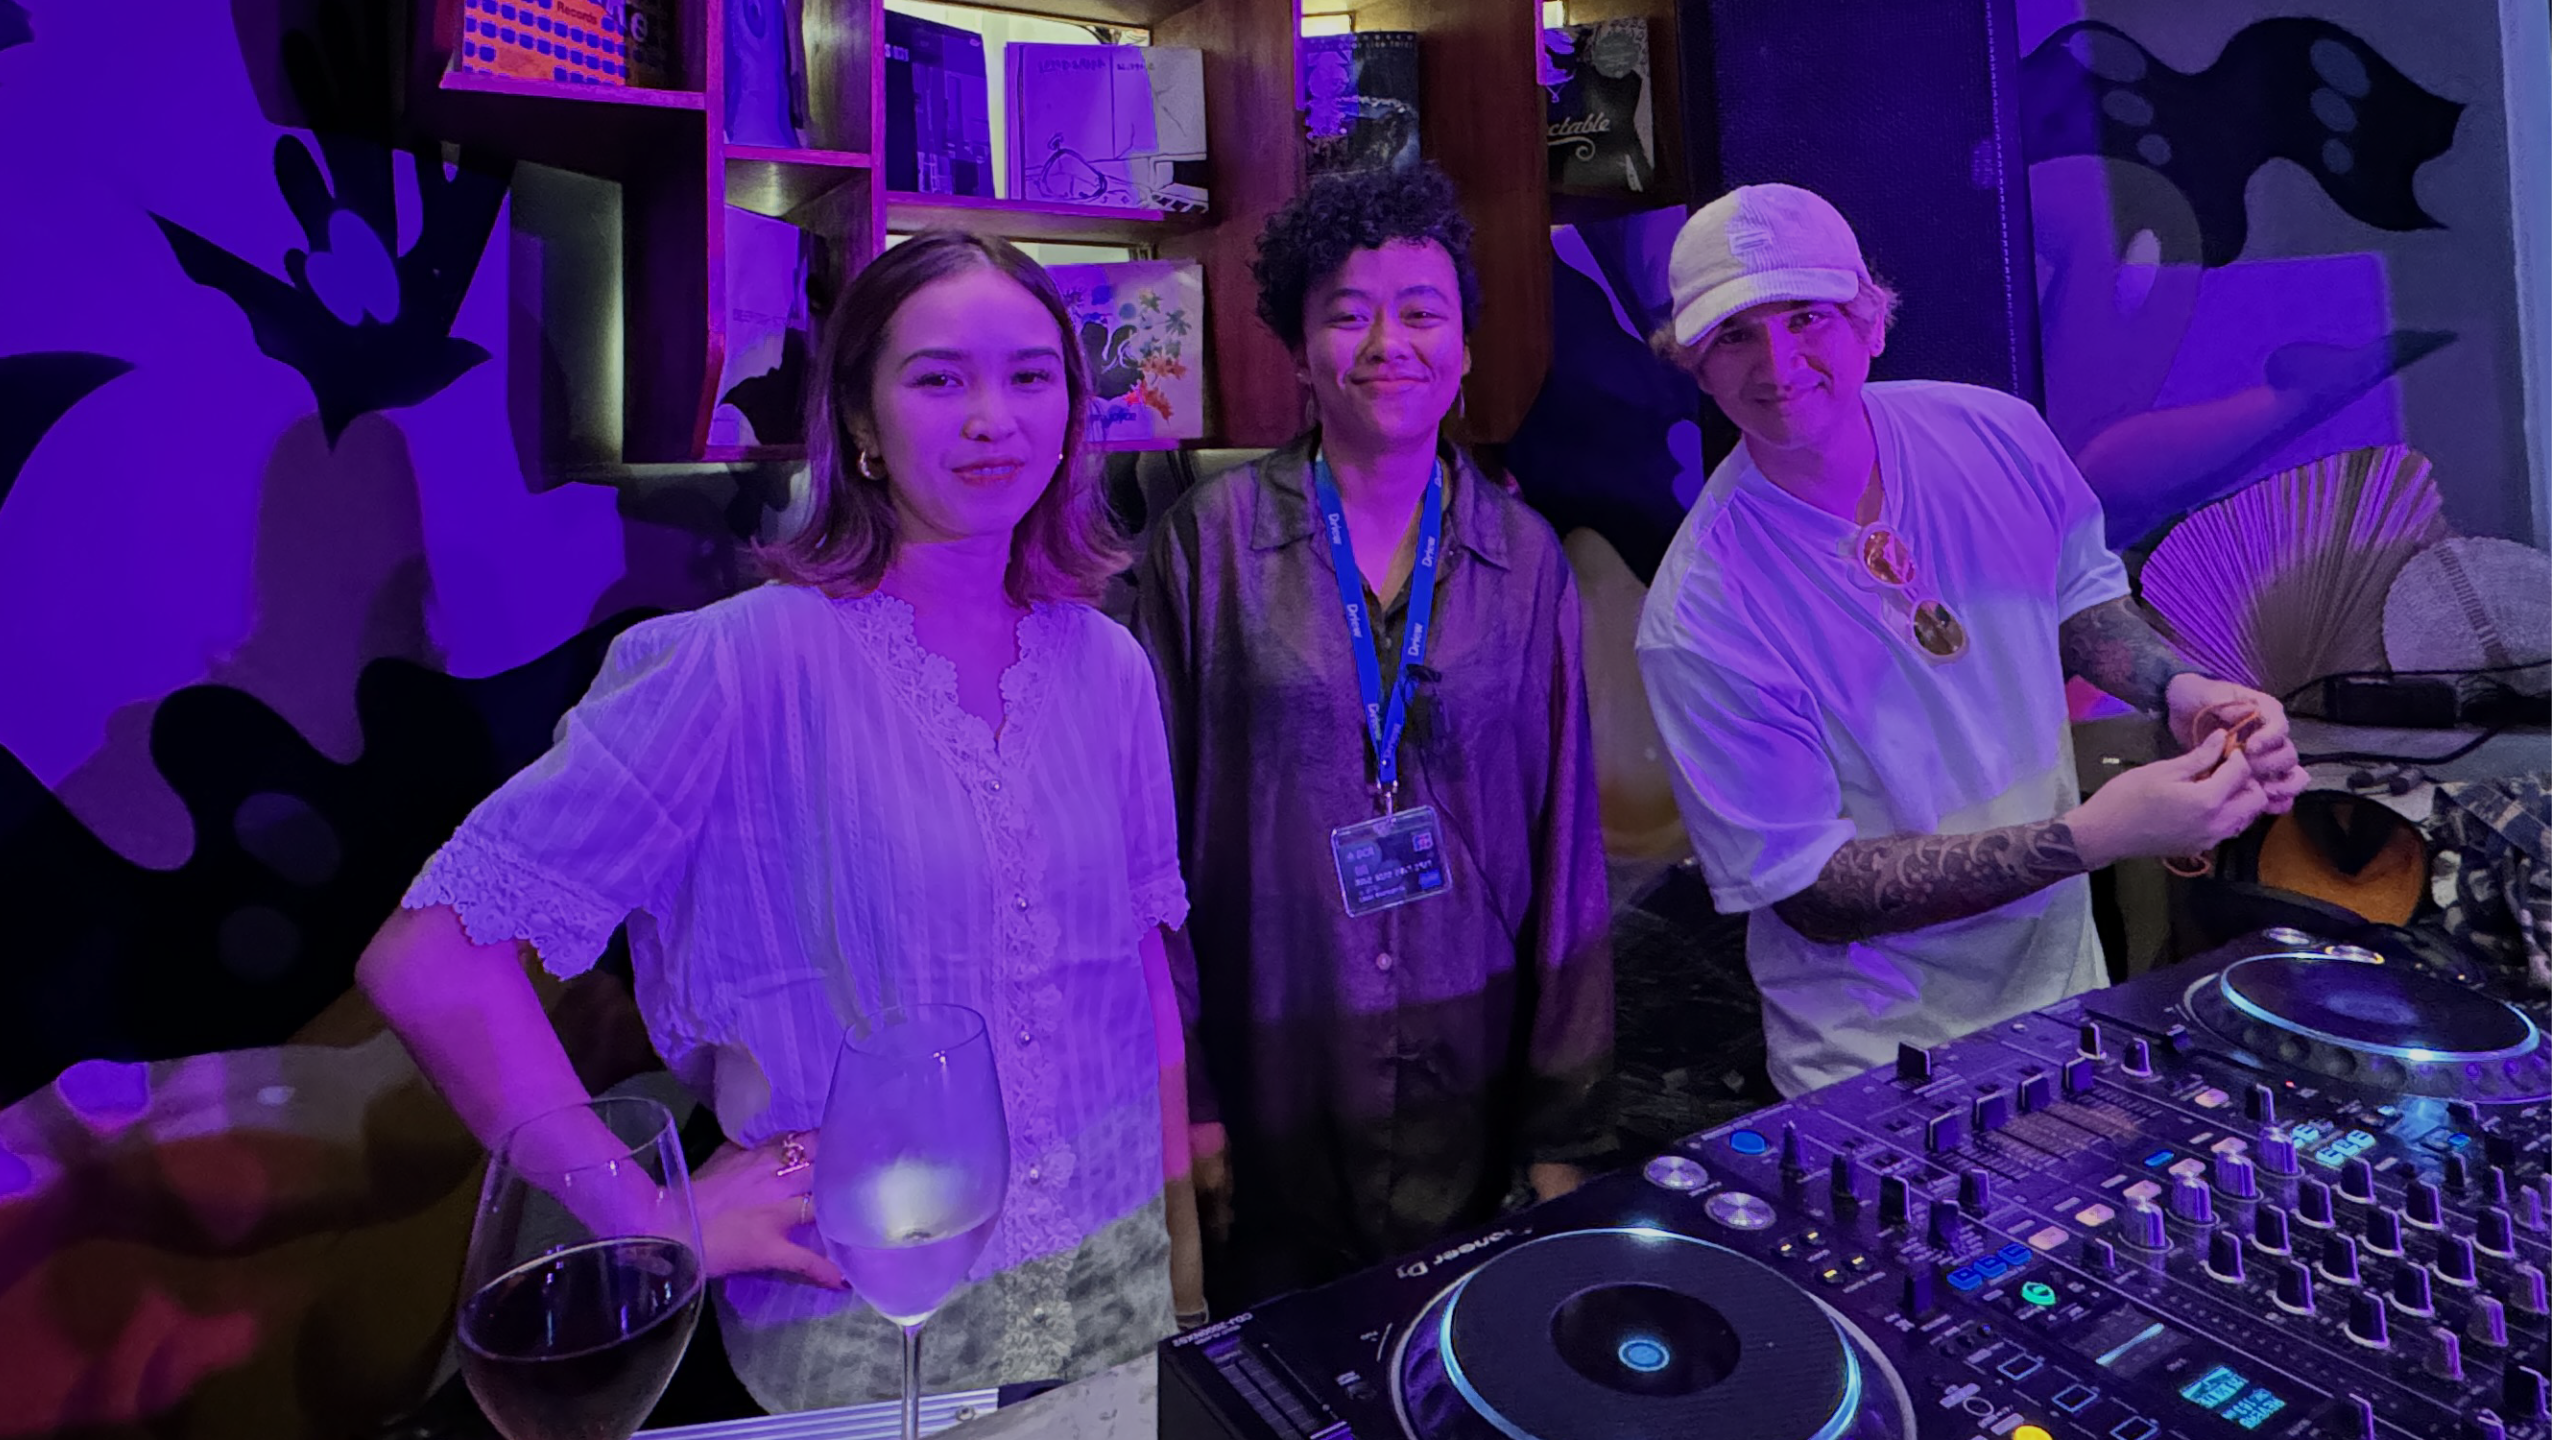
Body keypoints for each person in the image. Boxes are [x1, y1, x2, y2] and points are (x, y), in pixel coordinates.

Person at [356, 231, 1195, 1411]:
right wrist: (650, 1217)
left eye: (1030, 376)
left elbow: (1135, 966)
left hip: (1114, 1286)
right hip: (868, 1318)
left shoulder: (1109, 666)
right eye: (938, 378)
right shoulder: (739, 665)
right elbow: (430, 961)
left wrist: (1181, 1245)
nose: (992, 418)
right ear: (860, 421)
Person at [1636, 184, 2311, 1098]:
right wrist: (2095, 836)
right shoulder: (1702, 614)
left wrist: (2180, 691)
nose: (1779, 363)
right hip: (1876, 1062)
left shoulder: (1995, 434)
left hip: (2067, 1004)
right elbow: (1814, 893)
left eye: (1806, 318)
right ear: (1696, 366)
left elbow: (2075, 600)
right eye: (1735, 336)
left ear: (1870, 322)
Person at [1132, 164, 1614, 1311]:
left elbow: (1568, 855)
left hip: (1471, 1081)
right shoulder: (1206, 544)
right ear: (1299, 350)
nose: (1387, 344)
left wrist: (1568, 1124)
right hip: (1271, 1074)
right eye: (1347, 314)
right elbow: (1145, 853)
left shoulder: (1526, 557)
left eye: (1421, 313)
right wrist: (1185, 1099)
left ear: (1464, 348)